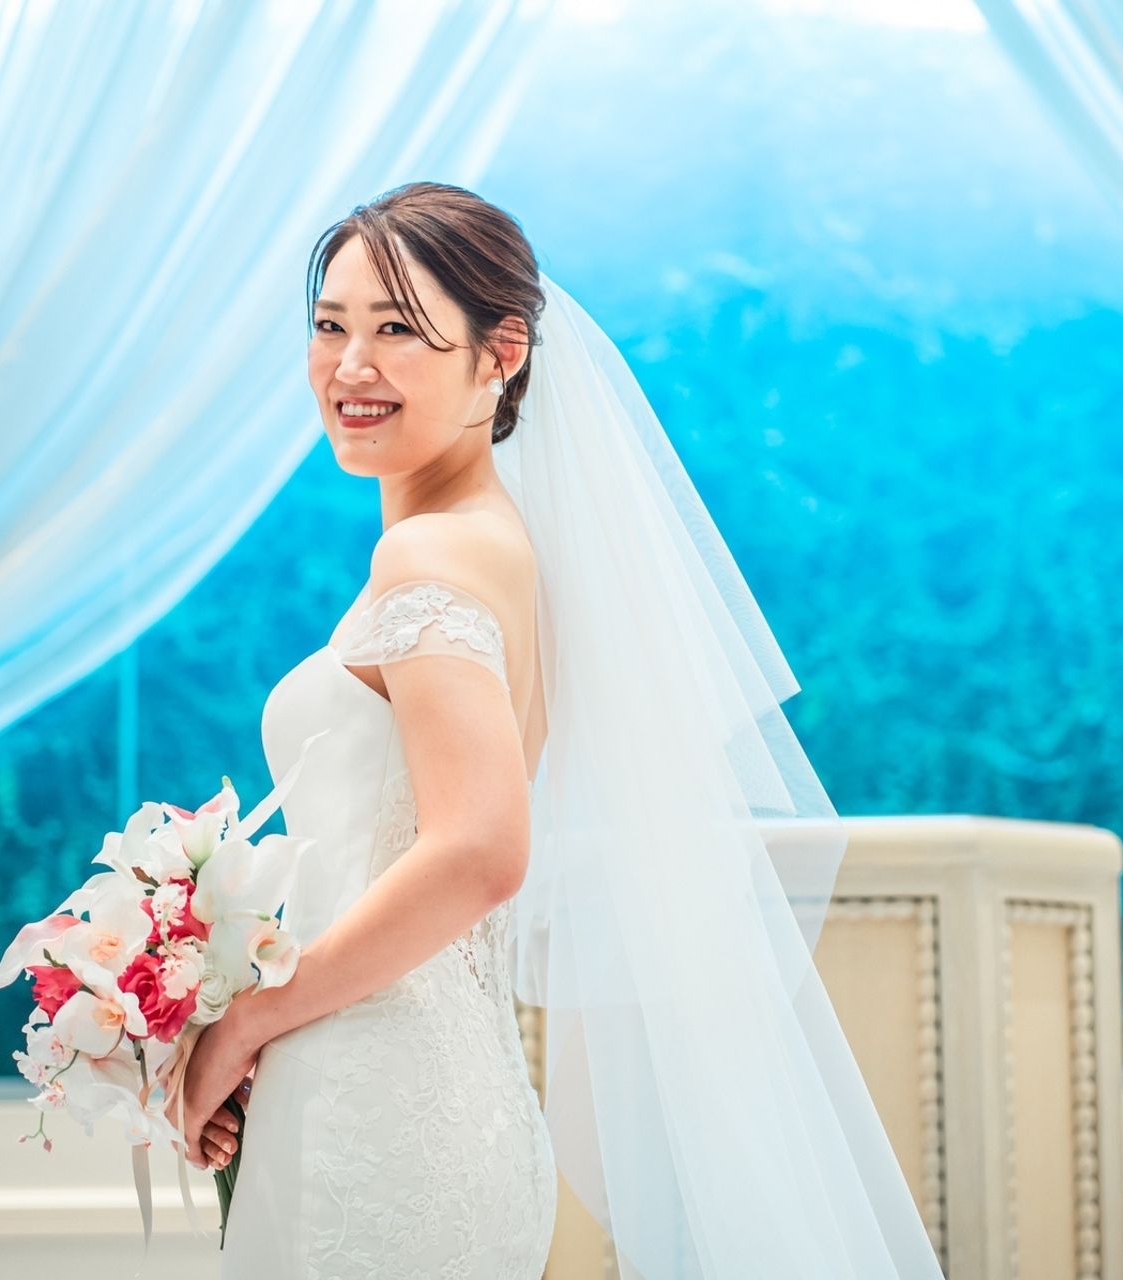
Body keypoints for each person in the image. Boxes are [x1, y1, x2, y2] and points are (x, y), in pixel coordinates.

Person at [168, 182, 948, 1279]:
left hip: (375, 1111)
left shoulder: (433, 555)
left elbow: (480, 849)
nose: (350, 365)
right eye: (330, 326)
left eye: (397, 329)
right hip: (423, 1088)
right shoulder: (499, 545)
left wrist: (247, 1020)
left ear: (501, 353)